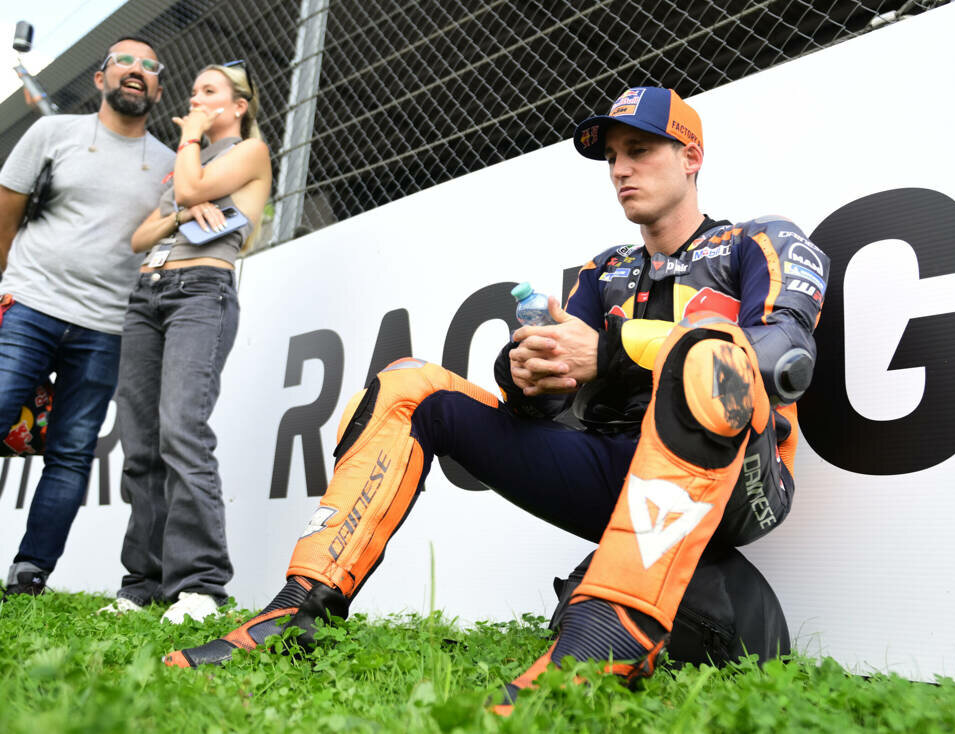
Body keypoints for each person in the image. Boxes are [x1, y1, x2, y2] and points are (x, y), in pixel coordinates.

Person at [164, 86, 828, 709]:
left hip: (742, 480)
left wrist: (614, 351)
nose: (621, 170)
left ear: (691, 157)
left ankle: (599, 651)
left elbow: (779, 356)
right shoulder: (606, 269)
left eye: (641, 150)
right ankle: (298, 612)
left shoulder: (759, 240)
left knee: (713, 355)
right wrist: (526, 376)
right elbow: (545, 406)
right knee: (408, 384)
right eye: (612, 157)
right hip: (617, 473)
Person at [97, 62, 272, 624]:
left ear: (238, 106)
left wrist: (190, 139)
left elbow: (193, 189)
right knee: (140, 445)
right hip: (147, 295)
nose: (195, 99)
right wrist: (177, 215)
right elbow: (139, 236)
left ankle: (200, 585)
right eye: (193, 91)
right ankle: (142, 584)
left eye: (209, 91)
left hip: (200, 292)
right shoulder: (188, 163)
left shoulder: (249, 151)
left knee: (181, 431)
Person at [0, 37, 173, 598]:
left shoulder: (171, 166)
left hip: (107, 329)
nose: (136, 70)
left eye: (149, 66)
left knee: (72, 453)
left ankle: (30, 574)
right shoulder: (54, 134)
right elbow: (5, 213)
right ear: (100, 78)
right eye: (124, 61)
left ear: (158, 90)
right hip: (31, 307)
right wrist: (12, 286)